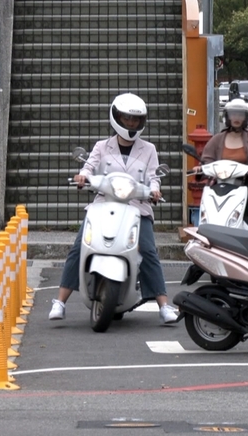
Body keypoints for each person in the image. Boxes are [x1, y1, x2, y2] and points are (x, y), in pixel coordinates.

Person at [49, 93, 179, 324]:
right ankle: (60, 301)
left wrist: (155, 190)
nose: (131, 123)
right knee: (80, 246)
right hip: (103, 204)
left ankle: (164, 305)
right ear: (116, 117)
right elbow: (89, 167)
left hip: (137, 207)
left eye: (135, 120)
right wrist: (82, 176)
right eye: (126, 118)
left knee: (148, 250)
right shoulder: (102, 146)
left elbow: (153, 176)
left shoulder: (149, 149)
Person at [196, 98, 248, 227]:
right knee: (208, 203)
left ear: (246, 117)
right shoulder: (217, 139)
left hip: (244, 182)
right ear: (227, 116)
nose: (236, 118)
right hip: (219, 181)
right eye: (233, 114)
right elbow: (207, 159)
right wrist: (200, 167)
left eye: (240, 114)